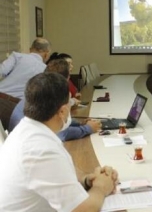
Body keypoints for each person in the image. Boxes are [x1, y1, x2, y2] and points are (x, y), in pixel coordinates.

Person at [0, 72, 118, 211]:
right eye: (70, 102)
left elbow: (58, 170)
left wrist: (87, 179)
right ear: (62, 111)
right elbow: (83, 209)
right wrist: (100, 187)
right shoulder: (40, 149)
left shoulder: (29, 130)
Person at [8, 59, 102, 141]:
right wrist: (87, 129)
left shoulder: (41, 89)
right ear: (66, 79)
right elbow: (60, 134)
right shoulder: (49, 95)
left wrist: (79, 124)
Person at [0, 38, 51, 131]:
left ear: (30, 49)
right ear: (46, 54)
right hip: (14, 108)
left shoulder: (16, 56)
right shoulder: (45, 70)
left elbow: (1, 71)